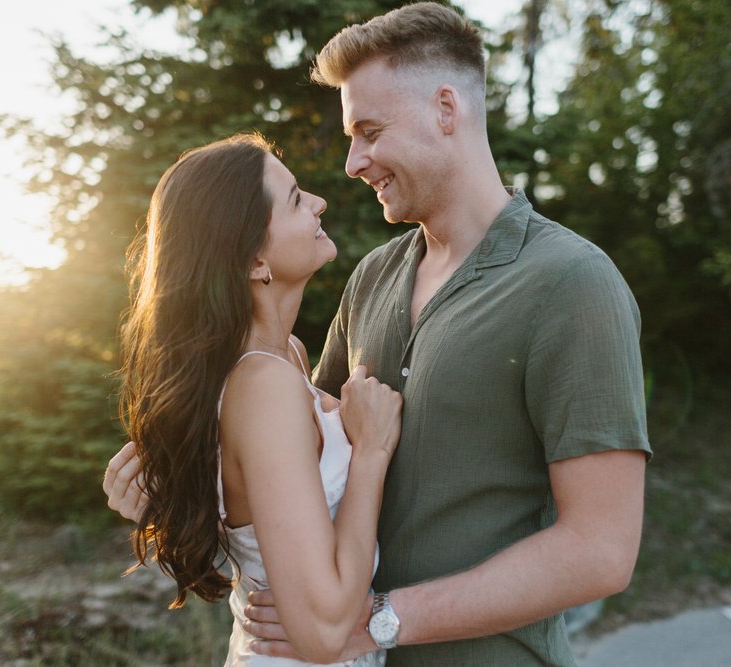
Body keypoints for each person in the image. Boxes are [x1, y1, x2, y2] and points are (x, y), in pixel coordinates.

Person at [107, 3, 651, 665]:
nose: (351, 162)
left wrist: (383, 620)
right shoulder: (372, 278)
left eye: (369, 130)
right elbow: (289, 463)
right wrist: (172, 470)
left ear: (445, 110)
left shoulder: (572, 284)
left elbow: (600, 550)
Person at [114, 132, 402, 666]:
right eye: (295, 198)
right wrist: (373, 454)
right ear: (252, 261)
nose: (319, 201)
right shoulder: (261, 386)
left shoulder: (286, 356)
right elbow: (323, 632)